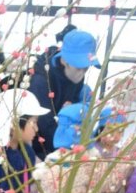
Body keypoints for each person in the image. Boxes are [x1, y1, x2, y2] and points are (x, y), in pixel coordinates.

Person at [28, 29, 100, 159]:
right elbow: (43, 125)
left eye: (86, 68)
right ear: (65, 60)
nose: (82, 73)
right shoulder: (42, 82)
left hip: (63, 144)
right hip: (40, 148)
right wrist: (68, 148)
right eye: (79, 67)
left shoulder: (75, 76)